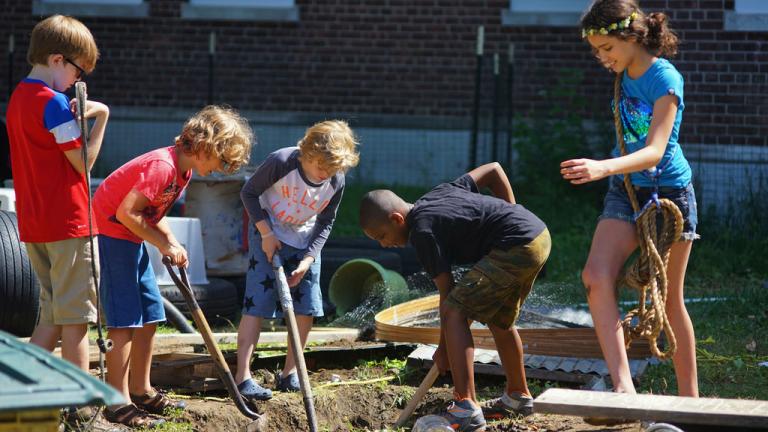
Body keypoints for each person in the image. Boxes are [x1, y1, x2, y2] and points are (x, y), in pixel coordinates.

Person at [561, 0, 699, 399]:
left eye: (607, 48)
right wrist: (611, 173)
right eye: (597, 51)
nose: (602, 58)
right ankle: (623, 387)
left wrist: (602, 167)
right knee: (595, 276)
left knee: (669, 301)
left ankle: (691, 400)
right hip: (625, 191)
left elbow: (655, 151)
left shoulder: (664, 78)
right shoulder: (622, 75)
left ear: (631, 36)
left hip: (668, 194)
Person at [93, 105, 254, 427]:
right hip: (110, 238)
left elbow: (151, 213)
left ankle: (140, 389)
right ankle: (117, 401)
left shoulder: (183, 172)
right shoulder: (162, 167)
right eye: (221, 160)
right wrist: (163, 245)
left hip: (130, 239)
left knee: (151, 313)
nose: (221, 169)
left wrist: (171, 241)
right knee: (125, 321)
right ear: (205, 146)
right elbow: (127, 213)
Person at [360, 163, 550, 431]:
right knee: (499, 320)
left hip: (515, 245)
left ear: (397, 219)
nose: (383, 244)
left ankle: (466, 406)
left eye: (382, 236)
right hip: (536, 235)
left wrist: (444, 349)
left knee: (454, 311)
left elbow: (447, 294)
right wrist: (512, 213)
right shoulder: (440, 193)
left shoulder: (423, 233)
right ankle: (518, 397)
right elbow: (494, 170)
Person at [6, 15, 107, 373]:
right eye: (78, 72)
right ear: (57, 60)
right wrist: (102, 117)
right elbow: (84, 164)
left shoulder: (18, 97)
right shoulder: (55, 103)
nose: (78, 81)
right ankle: (82, 399)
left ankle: (17, 383)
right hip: (69, 223)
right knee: (76, 318)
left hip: (35, 224)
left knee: (51, 314)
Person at [235, 120, 359, 401]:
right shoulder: (282, 162)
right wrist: (266, 234)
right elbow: (248, 193)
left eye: (332, 169)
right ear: (306, 153)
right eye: (320, 166)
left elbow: (326, 221)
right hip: (268, 233)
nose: (325, 173)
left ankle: (291, 372)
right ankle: (243, 376)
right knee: (258, 302)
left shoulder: (335, 180)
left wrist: (310, 257)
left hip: (305, 242)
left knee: (306, 306)